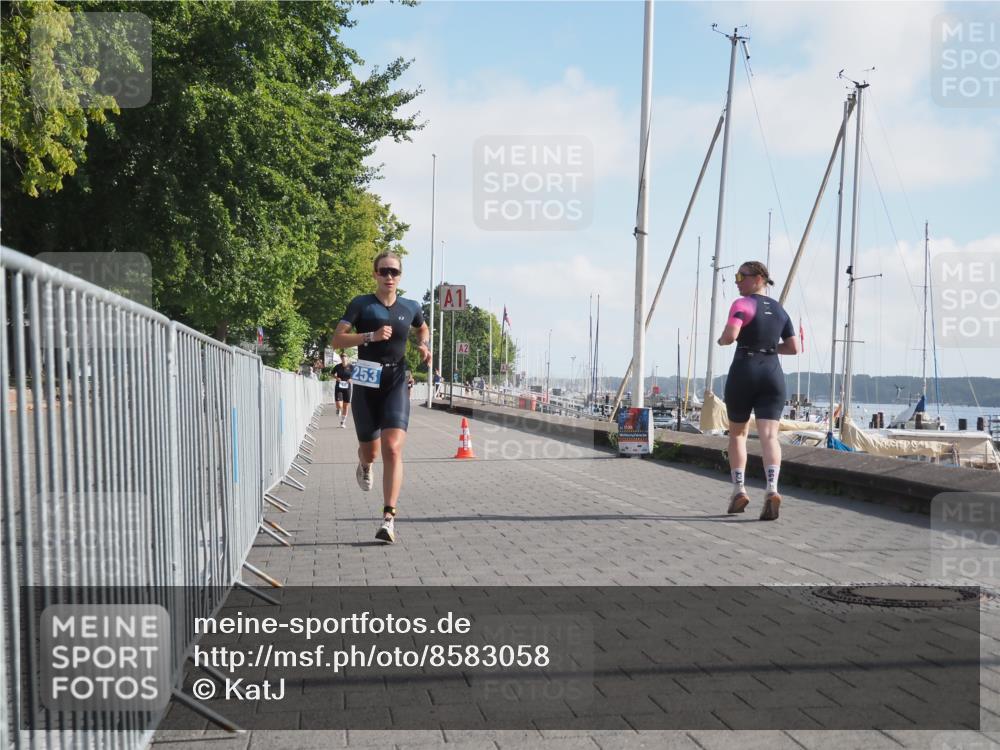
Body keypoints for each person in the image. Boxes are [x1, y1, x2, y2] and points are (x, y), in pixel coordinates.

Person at [331, 251, 432, 543]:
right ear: (375, 273)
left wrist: (423, 344)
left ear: (400, 276)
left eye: (395, 272)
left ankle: (388, 519)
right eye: (384, 271)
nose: (389, 277)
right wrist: (369, 337)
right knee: (371, 452)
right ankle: (364, 464)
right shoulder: (361, 304)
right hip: (366, 378)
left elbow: (421, 326)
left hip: (396, 379)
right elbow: (337, 339)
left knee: (392, 447)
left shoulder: (410, 306)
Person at [716, 261, 800, 520]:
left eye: (742, 276)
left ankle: (739, 489)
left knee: (738, 434)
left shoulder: (742, 304)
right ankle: (772, 488)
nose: (737, 280)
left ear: (759, 278)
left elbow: (731, 335)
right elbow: (794, 348)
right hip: (772, 374)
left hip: (745, 370)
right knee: (770, 437)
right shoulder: (780, 310)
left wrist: (722, 340)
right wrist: (771, 348)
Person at [332, 352, 354, 428]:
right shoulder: (337, 366)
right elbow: (332, 374)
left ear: (347, 358)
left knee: (346, 405)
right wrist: (336, 378)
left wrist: (351, 379)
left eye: (345, 357)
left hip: (347, 387)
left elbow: (355, 375)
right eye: (342, 357)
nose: (343, 358)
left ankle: (343, 422)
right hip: (339, 386)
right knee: (339, 405)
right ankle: (338, 409)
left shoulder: (351, 367)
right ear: (341, 359)